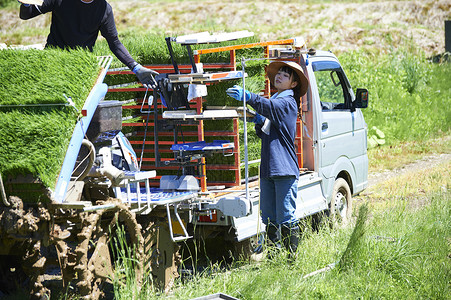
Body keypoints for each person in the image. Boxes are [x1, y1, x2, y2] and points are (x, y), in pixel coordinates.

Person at [226, 61, 309, 260]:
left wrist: (249, 97)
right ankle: (273, 256)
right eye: (278, 73)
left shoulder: (288, 102)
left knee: (286, 215)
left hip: (284, 169)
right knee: (269, 217)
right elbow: (269, 132)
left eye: (285, 75)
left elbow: (271, 107)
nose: (279, 76)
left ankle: (291, 259)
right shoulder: (276, 99)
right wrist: (259, 121)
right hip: (269, 169)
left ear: (293, 84)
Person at [18, 0, 157, 88]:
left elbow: (114, 42)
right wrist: (26, 4)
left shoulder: (104, 9)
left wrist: (136, 67)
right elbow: (26, 14)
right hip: (52, 62)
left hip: (80, 66)